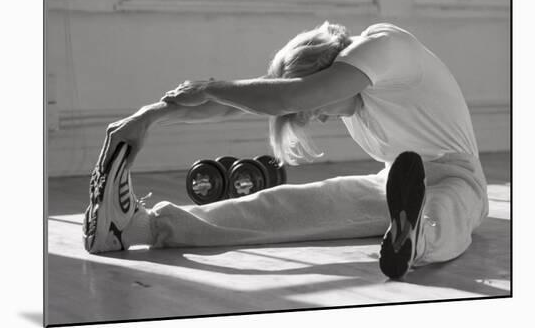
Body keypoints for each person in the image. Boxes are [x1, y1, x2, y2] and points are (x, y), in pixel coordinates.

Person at [82, 22, 488, 279]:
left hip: (456, 176)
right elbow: (240, 102)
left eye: (310, 111)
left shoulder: (382, 46)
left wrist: (208, 84)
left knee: (447, 211)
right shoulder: (348, 85)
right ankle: (141, 228)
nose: (316, 118)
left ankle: (415, 239)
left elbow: (291, 96)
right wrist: (149, 116)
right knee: (284, 206)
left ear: (328, 71)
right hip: (392, 183)